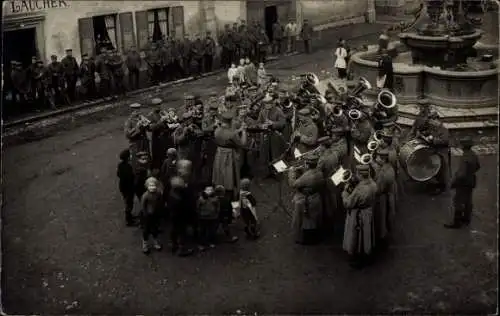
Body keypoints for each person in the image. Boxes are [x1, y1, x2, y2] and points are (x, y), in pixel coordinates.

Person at [342, 164, 378, 268]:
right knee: (367, 235)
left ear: (361, 175)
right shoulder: (373, 184)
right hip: (368, 212)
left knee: (357, 237)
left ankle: (358, 258)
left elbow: (348, 203)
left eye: (357, 174)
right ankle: (367, 254)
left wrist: (345, 193)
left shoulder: (359, 190)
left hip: (358, 215)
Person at [288, 153, 324, 244]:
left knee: (303, 220)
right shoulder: (319, 172)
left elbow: (293, 184)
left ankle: (303, 239)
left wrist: (291, 172)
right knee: (314, 220)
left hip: (305, 200)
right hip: (316, 197)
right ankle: (315, 237)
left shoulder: (307, 176)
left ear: (307, 164)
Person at [445, 138, 480, 229]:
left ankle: (457, 222)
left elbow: (461, 174)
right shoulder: (473, 155)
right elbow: (477, 166)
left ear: (463, 147)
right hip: (471, 180)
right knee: (468, 200)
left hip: (463, 183)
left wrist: (454, 182)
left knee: (458, 201)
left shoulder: (465, 157)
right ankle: (467, 219)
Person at [212, 111, 248, 200]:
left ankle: (220, 190)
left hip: (219, 154)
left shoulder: (217, 130)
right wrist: (243, 131)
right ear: (231, 121)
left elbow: (228, 133)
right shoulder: (232, 134)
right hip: (229, 155)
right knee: (230, 174)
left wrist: (237, 131)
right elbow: (242, 144)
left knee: (220, 173)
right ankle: (230, 193)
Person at [416, 112, 451, 195]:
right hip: (435, 152)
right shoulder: (434, 128)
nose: (430, 123)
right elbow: (427, 131)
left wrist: (433, 140)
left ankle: (442, 187)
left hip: (442, 153)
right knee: (434, 169)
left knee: (441, 171)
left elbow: (445, 141)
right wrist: (423, 134)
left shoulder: (444, 130)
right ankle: (435, 184)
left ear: (436, 120)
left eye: (431, 121)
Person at [371, 148, 397, 250]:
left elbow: (378, 189)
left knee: (381, 220)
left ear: (382, 159)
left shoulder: (383, 173)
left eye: (377, 157)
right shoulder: (388, 168)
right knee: (385, 218)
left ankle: (381, 241)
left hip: (382, 199)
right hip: (388, 196)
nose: (376, 159)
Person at [257, 94, 287, 177]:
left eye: (269, 103)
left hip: (275, 136)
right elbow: (258, 122)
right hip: (266, 136)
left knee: (276, 154)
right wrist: (262, 126)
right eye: (266, 104)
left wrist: (273, 123)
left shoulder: (278, 111)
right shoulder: (262, 111)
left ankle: (280, 173)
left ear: (272, 103)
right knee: (266, 155)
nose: (267, 105)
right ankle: (268, 173)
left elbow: (282, 123)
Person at [168, 176, 195, 256]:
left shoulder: (171, 194)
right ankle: (181, 249)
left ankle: (174, 245)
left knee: (174, 230)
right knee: (182, 232)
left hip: (173, 216)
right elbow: (187, 207)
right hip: (181, 217)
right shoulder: (180, 198)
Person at [140, 176, 163, 254]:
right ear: (147, 186)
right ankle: (145, 244)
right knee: (146, 230)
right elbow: (143, 206)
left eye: (154, 185)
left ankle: (155, 242)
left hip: (156, 214)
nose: (152, 187)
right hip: (147, 215)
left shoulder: (158, 193)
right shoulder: (145, 196)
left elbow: (160, 202)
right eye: (150, 185)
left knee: (155, 229)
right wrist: (145, 214)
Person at [124, 106, 151, 172]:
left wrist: (147, 125)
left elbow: (149, 129)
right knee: (137, 159)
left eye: (138, 110)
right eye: (135, 111)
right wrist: (137, 128)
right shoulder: (129, 121)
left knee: (146, 157)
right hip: (136, 143)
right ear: (132, 112)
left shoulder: (141, 118)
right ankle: (138, 173)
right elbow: (127, 135)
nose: (137, 112)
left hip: (144, 142)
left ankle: (147, 171)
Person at [117, 149, 137, 226]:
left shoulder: (120, 165)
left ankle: (130, 217)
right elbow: (130, 178)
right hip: (128, 188)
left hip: (122, 186)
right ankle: (129, 220)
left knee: (128, 202)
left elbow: (118, 174)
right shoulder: (128, 166)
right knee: (129, 203)